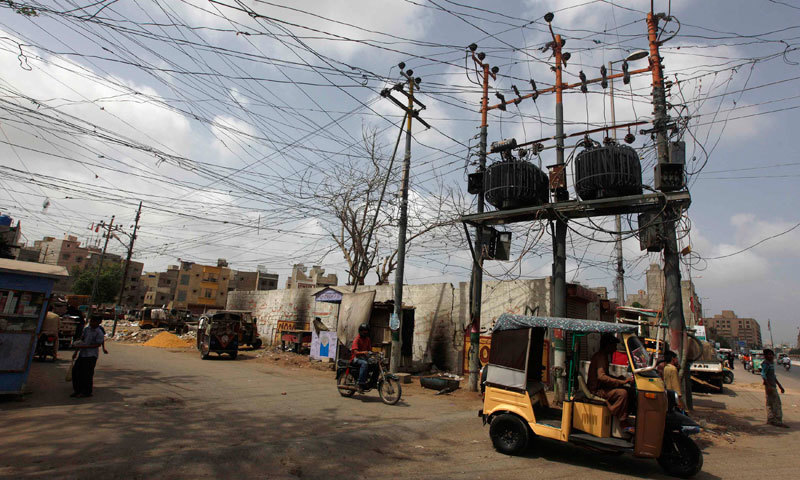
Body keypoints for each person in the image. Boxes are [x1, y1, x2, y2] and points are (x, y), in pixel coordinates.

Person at [588, 333, 634, 431]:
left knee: (629, 391)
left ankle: (623, 415)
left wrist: (620, 379)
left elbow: (606, 376)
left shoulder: (603, 356)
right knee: (623, 393)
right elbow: (602, 377)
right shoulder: (601, 357)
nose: (615, 348)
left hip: (602, 388)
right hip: (597, 391)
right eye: (613, 345)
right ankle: (621, 418)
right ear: (607, 345)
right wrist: (621, 382)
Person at [71, 315, 106, 398]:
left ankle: (86, 392)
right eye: (91, 321)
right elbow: (82, 340)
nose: (92, 323)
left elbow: (98, 344)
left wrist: (85, 347)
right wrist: (76, 351)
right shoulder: (87, 329)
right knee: (76, 372)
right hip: (82, 354)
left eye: (94, 321)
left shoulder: (99, 332)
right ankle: (77, 390)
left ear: (99, 322)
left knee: (87, 374)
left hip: (91, 355)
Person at [761, 349, 788, 428]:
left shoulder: (771, 363)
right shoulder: (766, 364)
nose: (771, 356)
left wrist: (780, 386)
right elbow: (763, 374)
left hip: (772, 385)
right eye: (769, 355)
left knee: (770, 403)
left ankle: (771, 419)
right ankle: (777, 421)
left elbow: (773, 376)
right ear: (765, 356)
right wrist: (768, 386)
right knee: (776, 403)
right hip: (770, 387)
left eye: (771, 354)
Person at [350, 323, 372, 392]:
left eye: (366, 331)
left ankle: (371, 381)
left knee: (375, 363)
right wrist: (363, 352)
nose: (365, 332)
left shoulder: (367, 339)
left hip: (364, 358)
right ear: (361, 331)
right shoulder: (357, 339)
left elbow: (369, 350)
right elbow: (355, 352)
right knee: (364, 363)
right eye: (364, 331)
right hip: (356, 358)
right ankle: (360, 383)